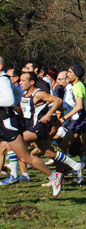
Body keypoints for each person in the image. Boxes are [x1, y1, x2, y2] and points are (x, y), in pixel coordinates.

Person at [0, 56, 63, 196]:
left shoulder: (2, 79)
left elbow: (10, 99)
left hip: (6, 123)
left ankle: (54, 177)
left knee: (25, 157)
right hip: (4, 121)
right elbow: (17, 94)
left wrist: (11, 109)